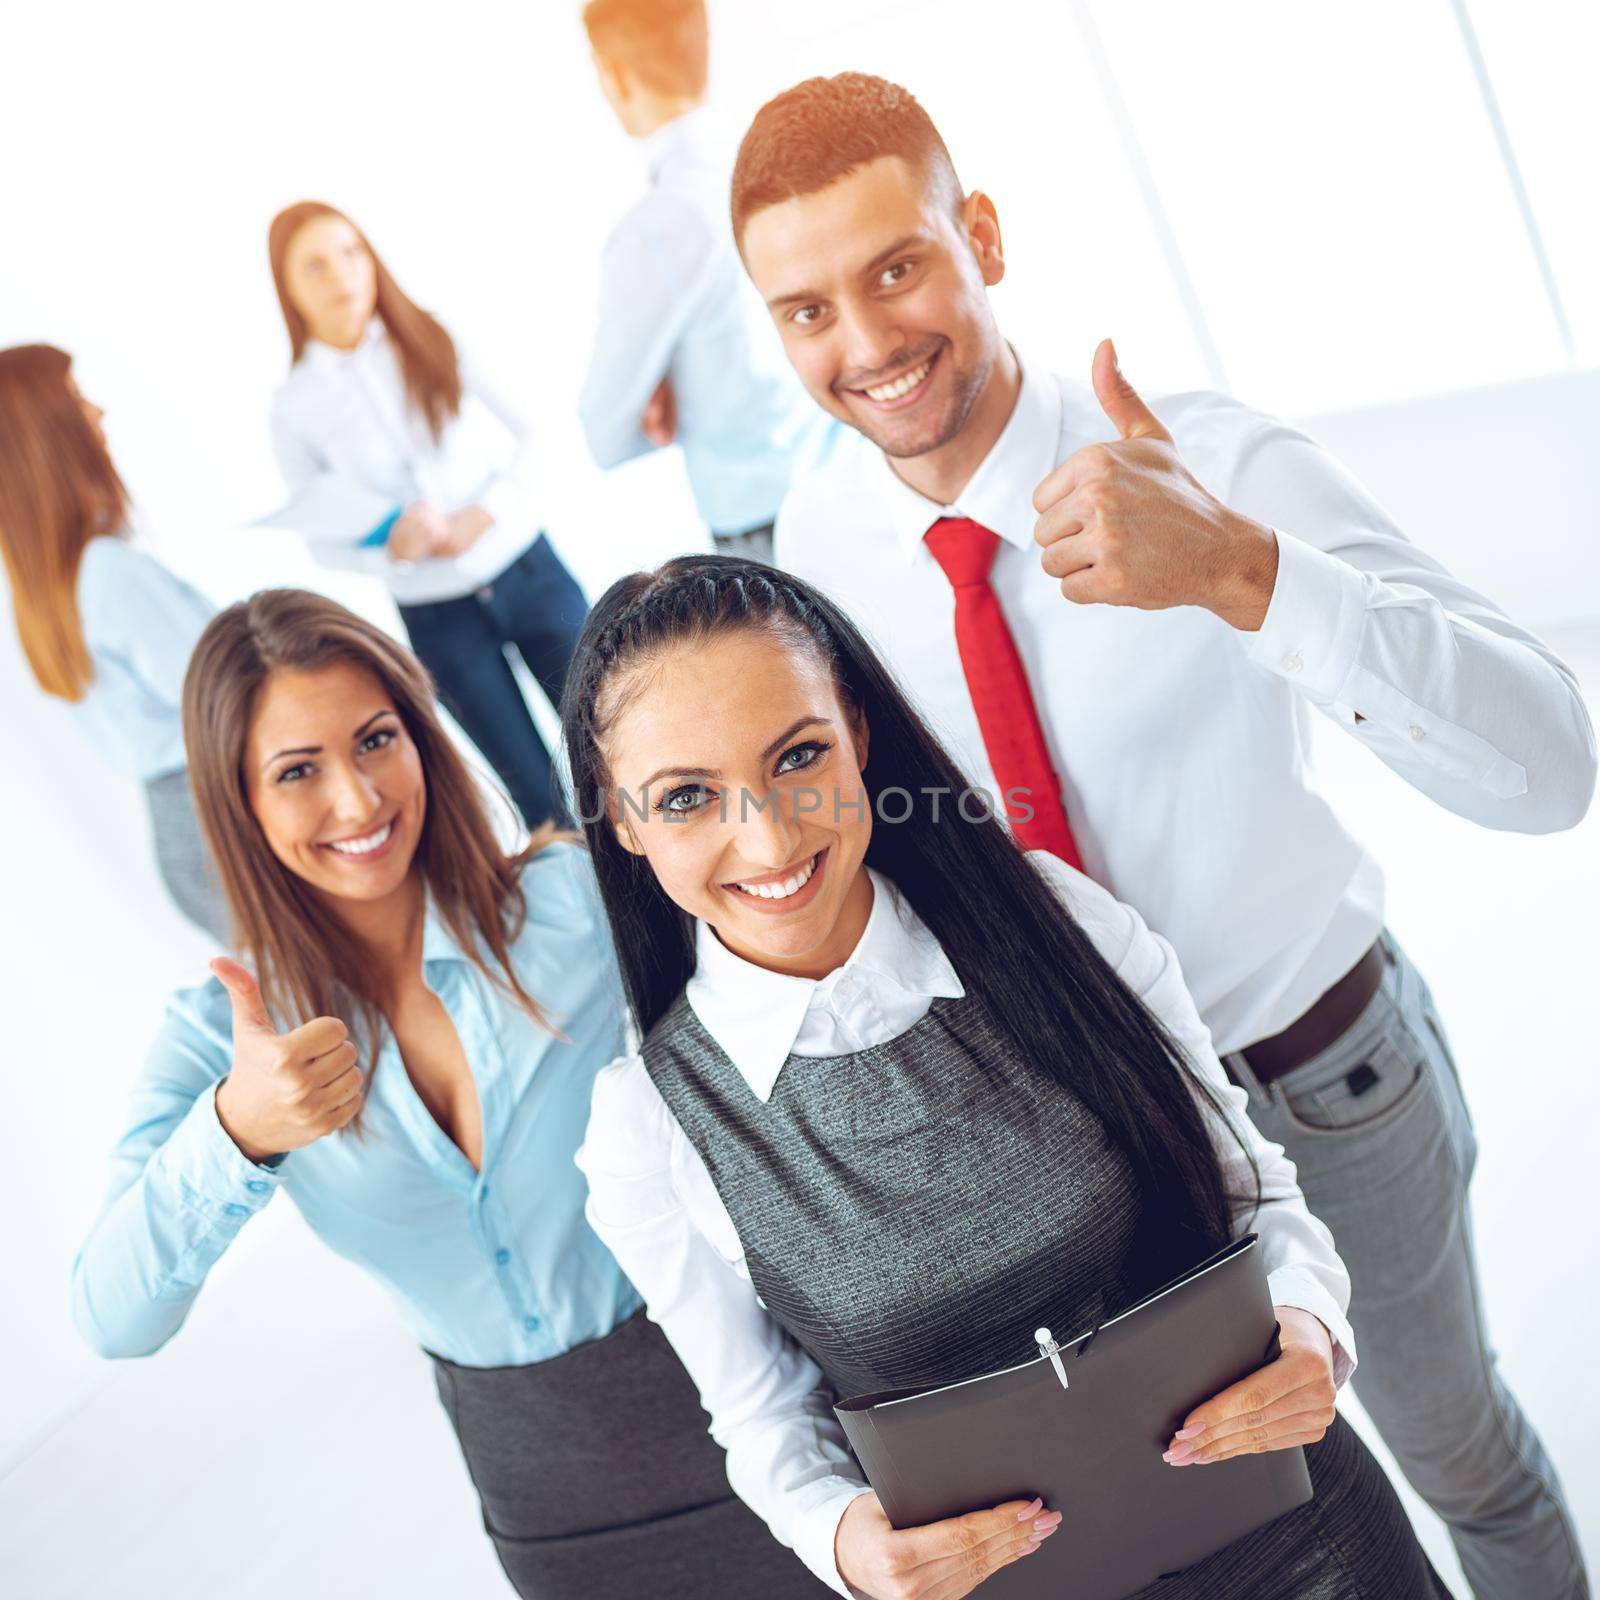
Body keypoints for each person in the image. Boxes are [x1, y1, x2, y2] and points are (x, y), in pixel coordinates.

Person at [731, 74, 1595, 1600]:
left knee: (1453, 1456)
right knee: (1245, 1528)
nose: (864, 345)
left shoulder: (1211, 462)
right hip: (1080, 1143)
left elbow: (1549, 764)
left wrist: (1246, 572)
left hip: (1321, 1081)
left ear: (981, 237)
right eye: (806, 310)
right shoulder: (822, 555)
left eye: (895, 268)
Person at [568, 554, 1448, 1600]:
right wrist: (848, 1544)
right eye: (685, 798)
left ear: (856, 729)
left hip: (1308, 1544)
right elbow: (763, 1418)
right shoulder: (651, 1127)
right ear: (619, 819)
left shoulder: (1052, 921)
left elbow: (1253, 1194)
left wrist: (1307, 1326)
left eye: (798, 755)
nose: (765, 833)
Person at [69, 588, 829, 1600]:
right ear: (239, 802)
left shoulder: (577, 905)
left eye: (376, 739)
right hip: (546, 1499)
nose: (357, 799)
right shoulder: (218, 1035)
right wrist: (234, 1134)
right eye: (298, 771)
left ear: (422, 737)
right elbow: (112, 1318)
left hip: (752, 1402)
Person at [263, 200, 585, 831]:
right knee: (539, 803)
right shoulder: (292, 407)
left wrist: (487, 513)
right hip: (440, 621)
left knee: (623, 744)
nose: (342, 277)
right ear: (289, 288)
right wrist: (396, 550)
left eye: (352, 255)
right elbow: (320, 541)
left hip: (529, 573)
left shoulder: (434, 333)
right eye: (317, 267)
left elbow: (538, 431)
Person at [578, 0, 833, 565]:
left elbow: (604, 435)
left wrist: (670, 392)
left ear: (612, 73)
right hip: (850, 476)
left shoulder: (656, 228)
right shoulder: (785, 168)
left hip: (765, 529)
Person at [0, 343, 227, 944]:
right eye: (77, 401)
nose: (99, 413)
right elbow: (230, 697)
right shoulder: (108, 574)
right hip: (218, 820)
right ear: (45, 439)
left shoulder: (49, 589)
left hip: (182, 831)